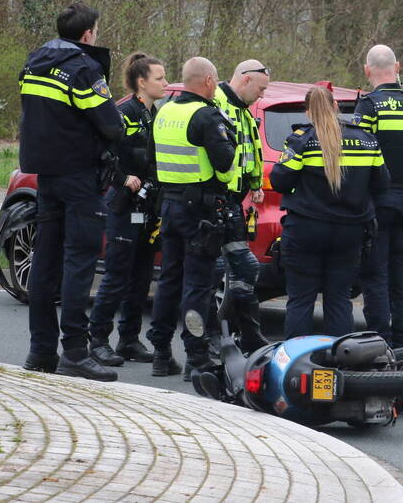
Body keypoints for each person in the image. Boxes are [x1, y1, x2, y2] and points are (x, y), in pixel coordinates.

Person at [18, 2, 124, 382]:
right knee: (79, 263)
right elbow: (110, 124)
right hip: (80, 177)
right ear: (87, 34)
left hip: (46, 175)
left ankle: (40, 351)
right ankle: (76, 352)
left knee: (45, 263)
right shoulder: (83, 68)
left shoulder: (34, 62)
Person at [270, 86, 390, 339]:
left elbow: (280, 181)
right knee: (338, 299)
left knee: (301, 299)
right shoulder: (367, 140)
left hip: (305, 230)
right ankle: (340, 362)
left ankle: (298, 364)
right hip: (350, 232)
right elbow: (382, 184)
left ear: (307, 112)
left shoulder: (301, 140)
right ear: (336, 107)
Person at [146, 57, 236, 379]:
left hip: (169, 206)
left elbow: (153, 159)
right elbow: (225, 163)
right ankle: (196, 356)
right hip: (199, 212)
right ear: (210, 81)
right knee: (197, 285)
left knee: (169, 280)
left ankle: (160, 352)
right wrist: (231, 133)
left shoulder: (165, 112)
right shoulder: (206, 116)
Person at [87, 53, 169, 367]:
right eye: (159, 78)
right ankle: (97, 341)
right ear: (141, 82)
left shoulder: (157, 113)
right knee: (116, 275)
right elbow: (103, 155)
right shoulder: (122, 112)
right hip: (123, 206)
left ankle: (129, 339)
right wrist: (123, 178)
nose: (164, 83)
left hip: (149, 208)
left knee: (142, 275)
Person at [354, 45, 403, 348]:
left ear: (367, 70)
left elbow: (360, 156)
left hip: (377, 201)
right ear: (398, 67)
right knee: (402, 273)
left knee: (375, 273)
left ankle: (379, 340)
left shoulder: (369, 106)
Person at [210, 60, 271, 352]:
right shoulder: (216, 103)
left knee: (245, 268)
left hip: (235, 201)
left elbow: (252, 148)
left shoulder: (243, 110)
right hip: (212, 202)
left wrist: (256, 183)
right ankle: (210, 338)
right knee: (214, 272)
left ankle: (247, 334)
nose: (261, 96)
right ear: (245, 80)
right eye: (260, 89)